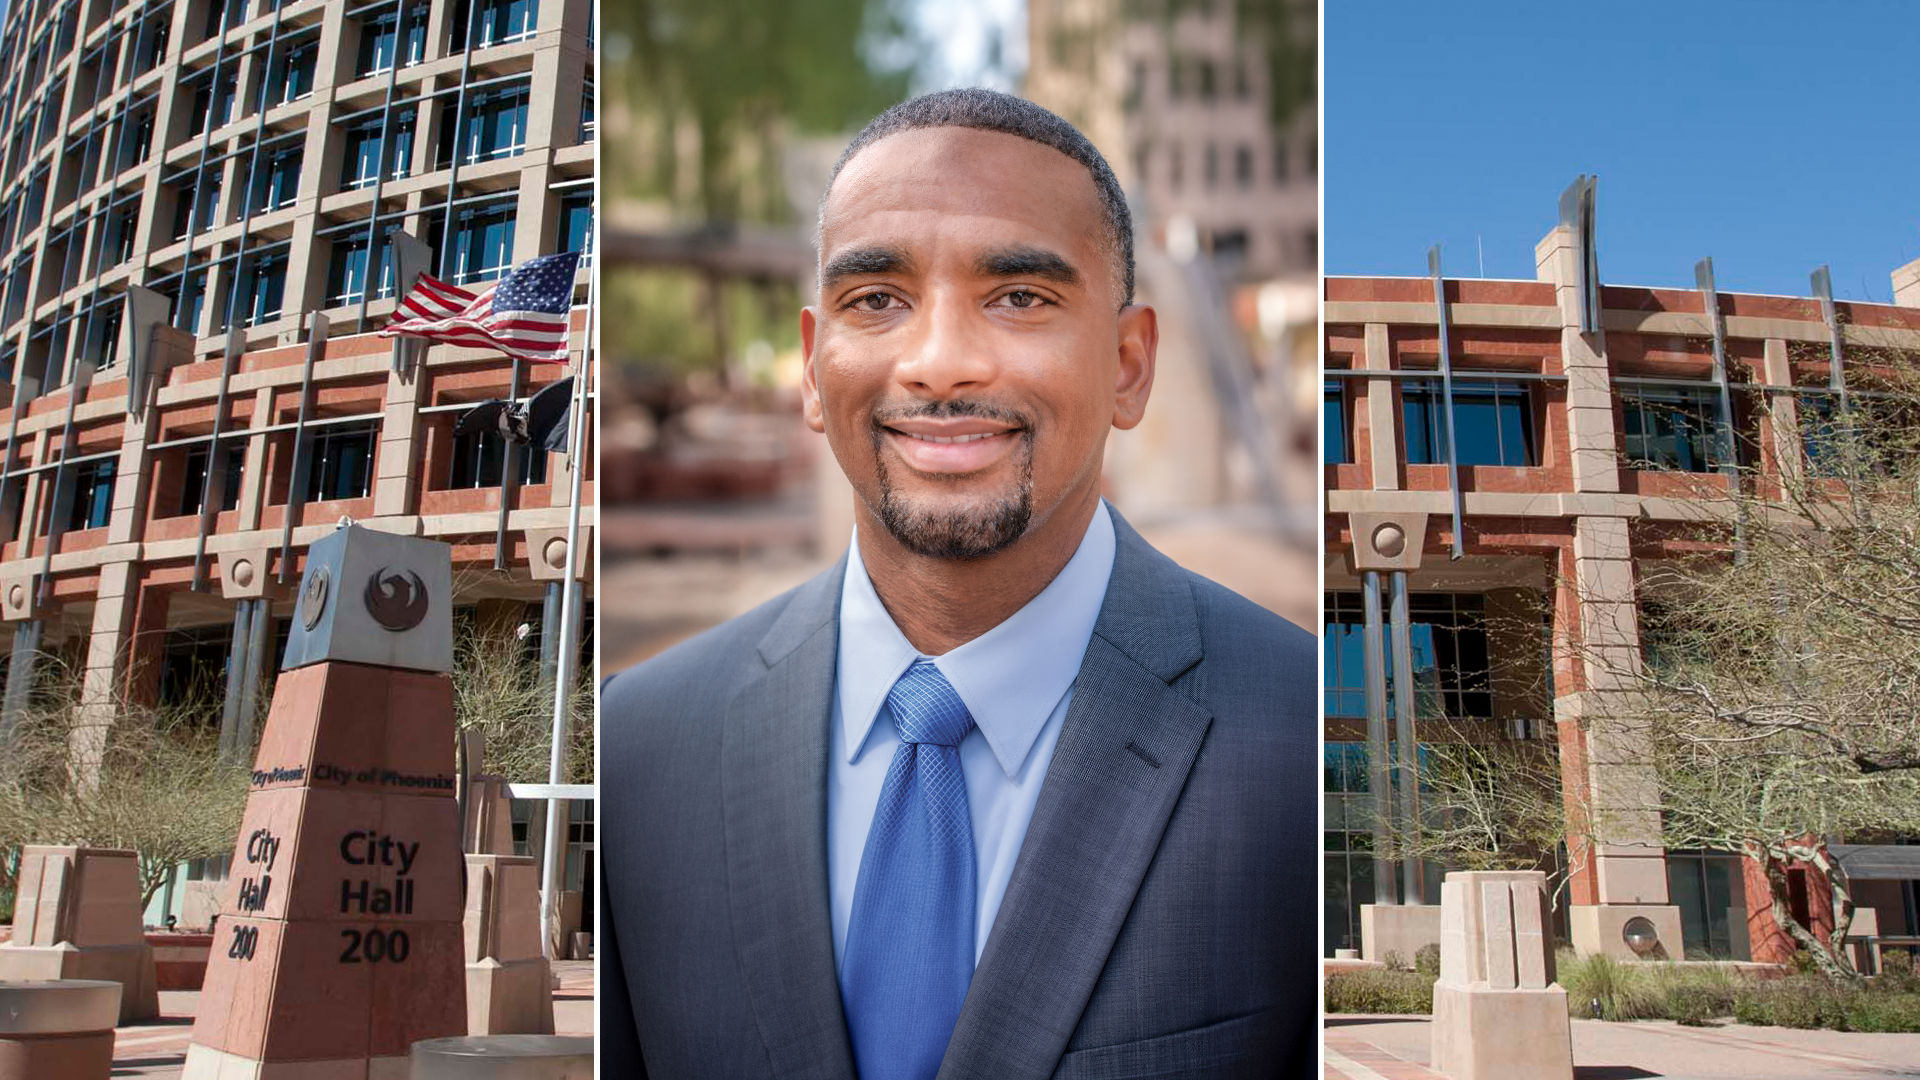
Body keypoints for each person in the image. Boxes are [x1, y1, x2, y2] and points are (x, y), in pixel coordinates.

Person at [600, 88, 1315, 1079]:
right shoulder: (640, 744)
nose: (939, 363)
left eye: (1020, 296)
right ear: (813, 369)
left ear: (1128, 363)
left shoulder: (1300, 736)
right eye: (877, 299)